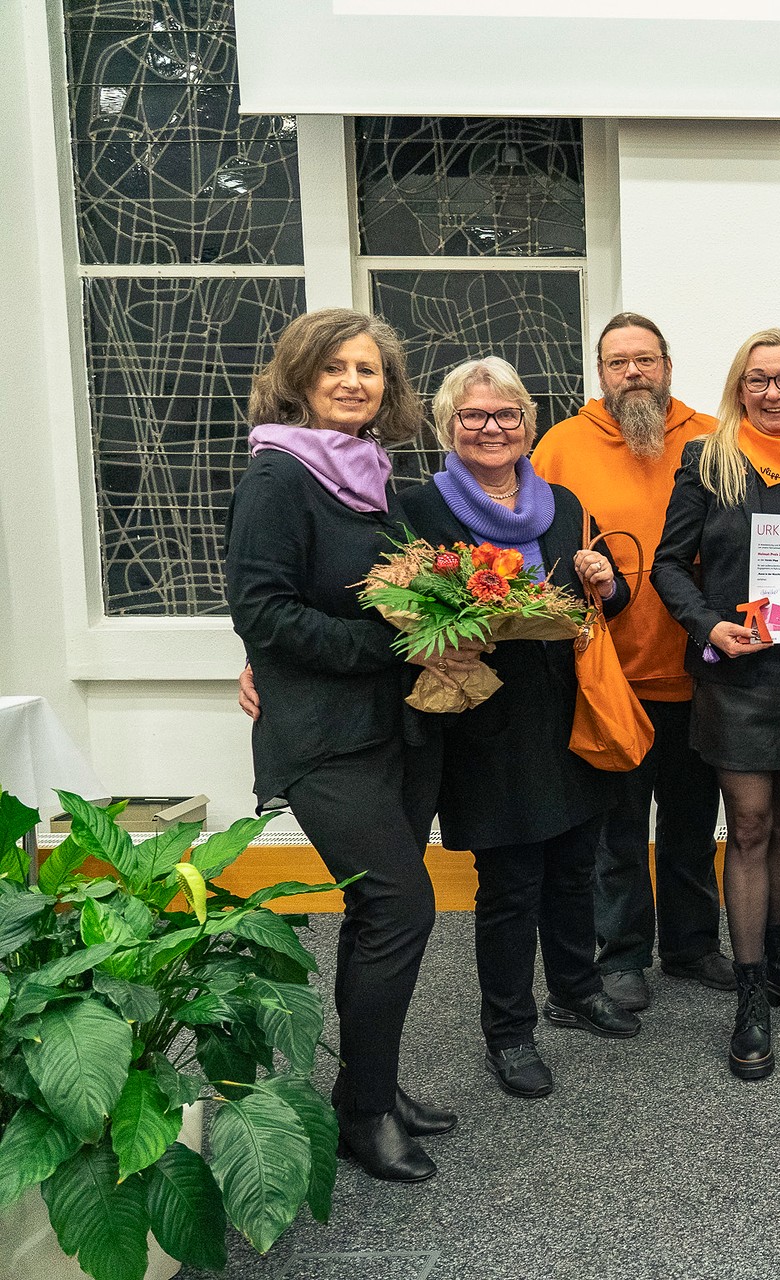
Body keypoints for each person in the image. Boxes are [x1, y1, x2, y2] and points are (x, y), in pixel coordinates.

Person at [225, 308, 473, 1182]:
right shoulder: (278, 476)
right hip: (325, 738)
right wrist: (393, 648)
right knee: (401, 909)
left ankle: (370, 1088)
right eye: (334, 367)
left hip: (395, 729)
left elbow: (391, 592)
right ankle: (364, 1116)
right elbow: (262, 612)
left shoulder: (370, 474)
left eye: (368, 369)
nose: (352, 382)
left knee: (377, 915)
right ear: (299, 378)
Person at [397, 357, 641, 1101]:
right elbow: (402, 614)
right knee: (510, 884)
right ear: (448, 426)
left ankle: (576, 987)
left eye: (506, 415)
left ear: (529, 426)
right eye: (473, 416)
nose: (491, 428)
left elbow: (608, 603)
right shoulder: (421, 511)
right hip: (486, 720)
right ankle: (509, 1031)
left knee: (574, 864)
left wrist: (607, 582)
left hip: (571, 708)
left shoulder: (564, 505)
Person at [652, 329, 780, 1080]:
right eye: (758, 379)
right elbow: (667, 564)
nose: (774, 393)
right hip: (737, 673)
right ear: (739, 389)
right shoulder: (707, 460)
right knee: (747, 825)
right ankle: (749, 994)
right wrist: (707, 625)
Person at [531, 313, 731, 1009]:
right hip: (607, 676)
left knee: (691, 825)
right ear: (601, 374)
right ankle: (620, 956)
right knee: (615, 832)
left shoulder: (713, 438)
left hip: (701, 669)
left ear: (668, 366)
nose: (633, 373)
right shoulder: (561, 445)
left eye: (645, 360)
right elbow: (533, 545)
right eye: (618, 363)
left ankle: (692, 945)